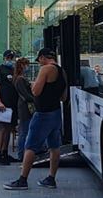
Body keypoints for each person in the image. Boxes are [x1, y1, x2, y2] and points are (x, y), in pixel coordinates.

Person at [4, 48, 67, 190]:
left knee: (30, 146)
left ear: (44, 58)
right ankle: (51, 178)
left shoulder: (45, 69)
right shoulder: (62, 71)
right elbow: (64, 96)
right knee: (54, 146)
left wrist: (35, 84)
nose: (39, 63)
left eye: (39, 60)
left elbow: (35, 91)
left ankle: (22, 180)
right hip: (56, 112)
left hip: (43, 113)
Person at [0, 49, 20, 166]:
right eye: (8, 57)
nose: (11, 59)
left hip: (12, 104)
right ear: (4, 58)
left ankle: (5, 152)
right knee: (2, 128)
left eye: (12, 57)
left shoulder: (14, 70)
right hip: (3, 104)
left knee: (9, 128)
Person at [13, 57, 34, 163]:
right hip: (25, 108)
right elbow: (26, 95)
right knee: (24, 131)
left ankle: (22, 153)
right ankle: (21, 154)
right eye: (26, 65)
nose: (28, 67)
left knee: (24, 130)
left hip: (24, 107)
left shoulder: (19, 78)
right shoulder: (20, 79)